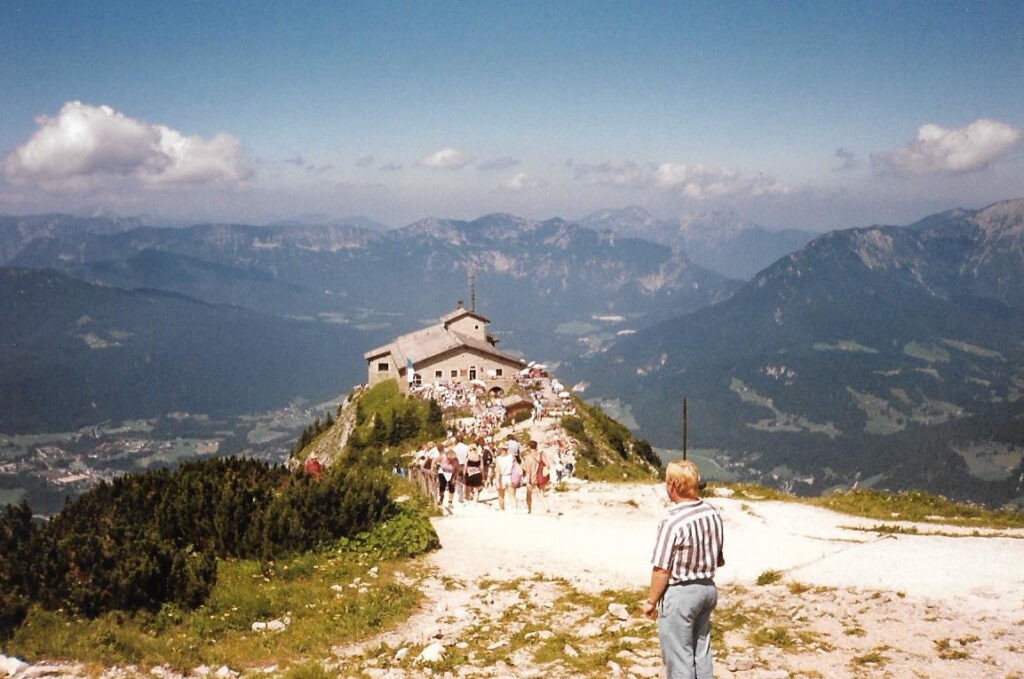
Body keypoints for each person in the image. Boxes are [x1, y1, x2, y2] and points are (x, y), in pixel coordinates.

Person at [642, 460, 725, 679]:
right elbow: (718, 555)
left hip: (681, 594)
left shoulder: (672, 522)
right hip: (707, 588)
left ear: (672, 485)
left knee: (679, 657)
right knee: (701, 651)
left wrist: (651, 601)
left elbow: (661, 569)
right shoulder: (712, 512)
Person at [521, 439, 554, 514]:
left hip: (532, 478)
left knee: (529, 495)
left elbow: (528, 471)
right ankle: (546, 507)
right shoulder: (540, 454)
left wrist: (527, 481)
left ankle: (530, 510)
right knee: (541, 493)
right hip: (540, 477)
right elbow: (548, 465)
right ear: (536, 446)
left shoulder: (528, 458)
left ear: (529, 447)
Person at [494, 440, 517, 510]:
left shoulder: (498, 458)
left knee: (501, 496)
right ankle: (514, 509)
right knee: (512, 495)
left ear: (501, 449)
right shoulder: (511, 456)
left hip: (502, 477)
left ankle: (502, 510)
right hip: (510, 476)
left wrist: (497, 481)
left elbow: (497, 471)